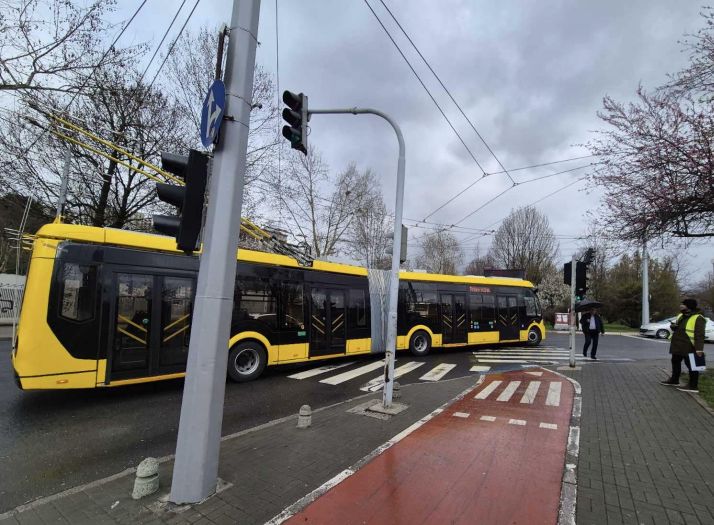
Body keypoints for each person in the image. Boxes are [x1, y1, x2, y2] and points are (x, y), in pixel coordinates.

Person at [660, 298, 706, 392]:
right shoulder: (681, 315)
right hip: (677, 345)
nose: (681, 306)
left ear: (689, 306)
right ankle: (674, 380)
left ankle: (693, 386)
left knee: (692, 366)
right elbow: (677, 327)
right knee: (675, 361)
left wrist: (699, 349)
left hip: (689, 346)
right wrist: (673, 327)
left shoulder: (698, 318)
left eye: (683, 304)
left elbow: (700, 334)